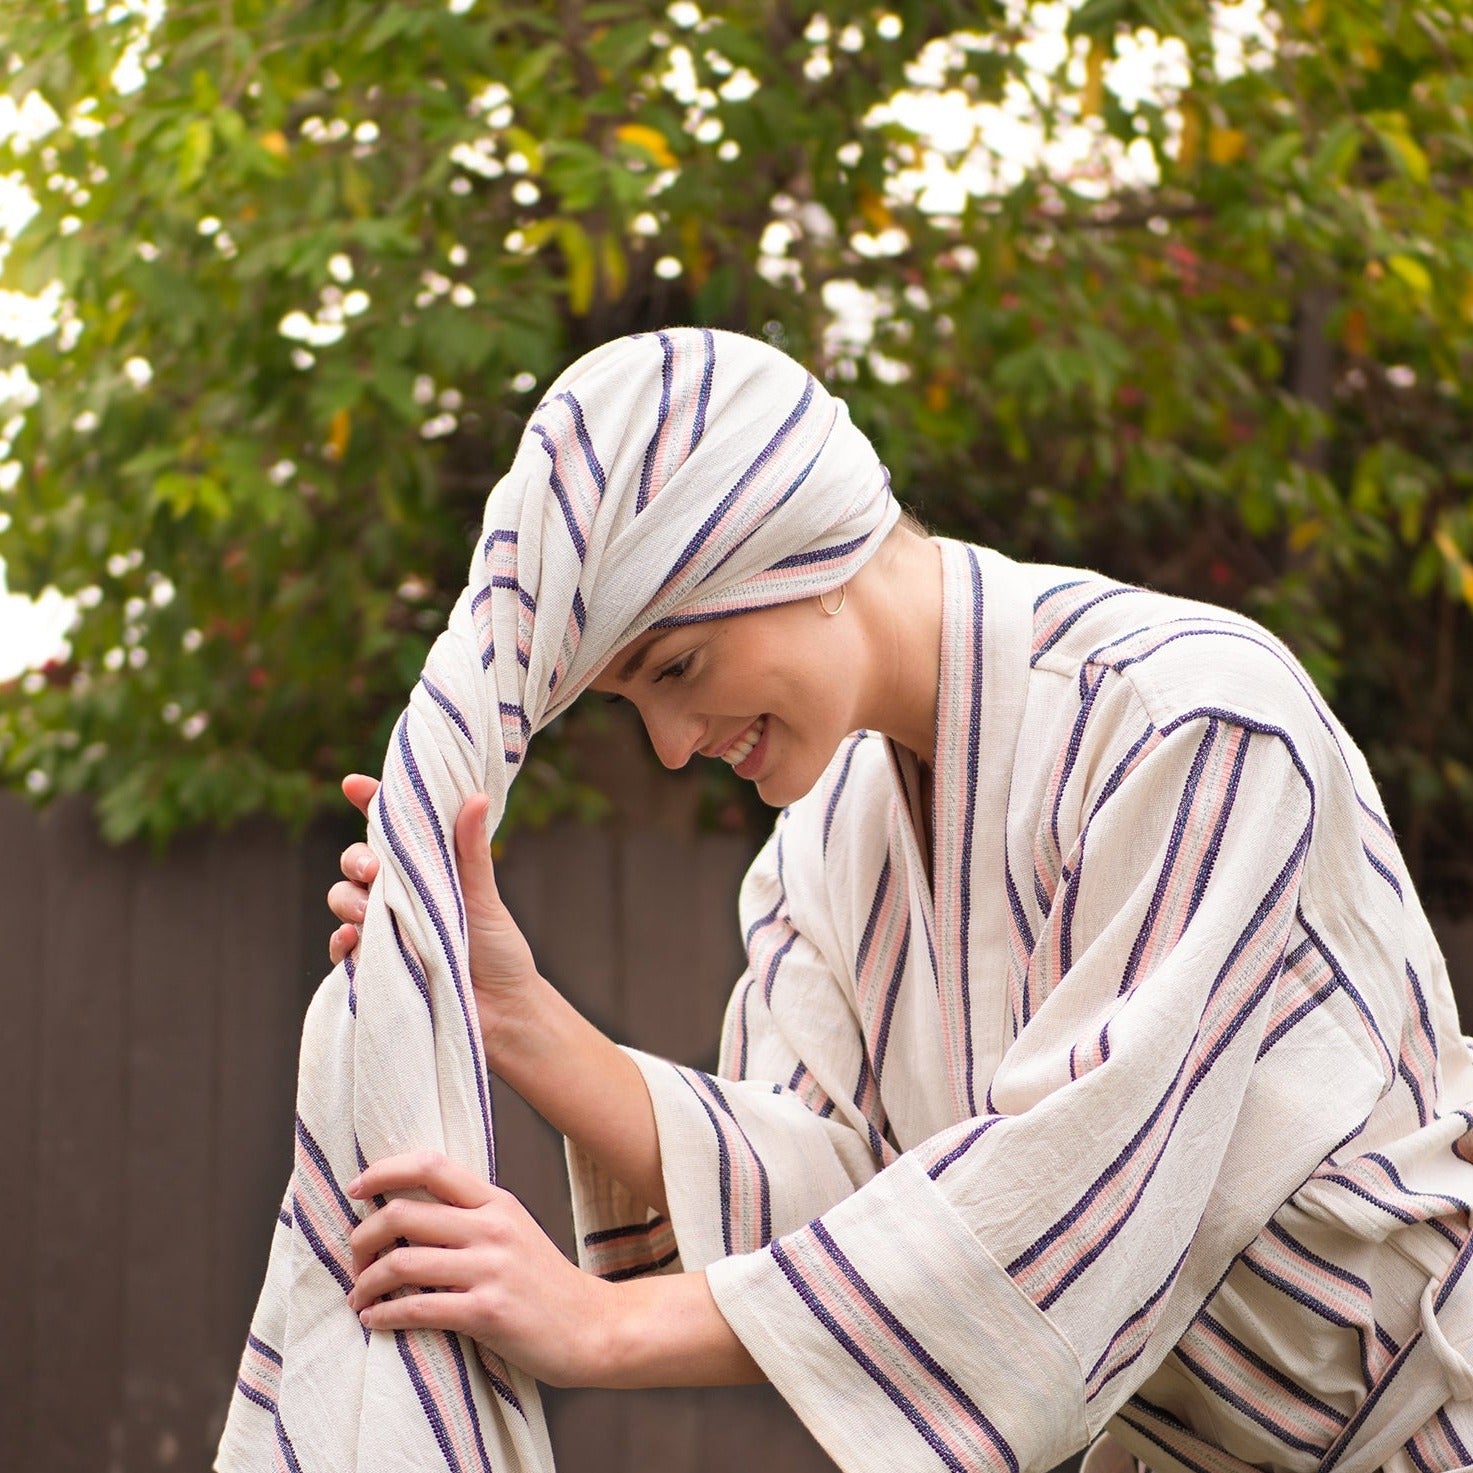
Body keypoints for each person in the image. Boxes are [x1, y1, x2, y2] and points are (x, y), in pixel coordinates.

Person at [314, 328, 1473, 1473]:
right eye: (632, 701)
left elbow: (1070, 1199)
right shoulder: (817, 853)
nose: (670, 745)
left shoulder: (1189, 724)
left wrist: (599, 1324)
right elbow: (839, 1207)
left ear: (800, 552)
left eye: (676, 670)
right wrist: (513, 1012)